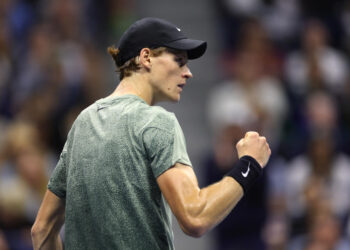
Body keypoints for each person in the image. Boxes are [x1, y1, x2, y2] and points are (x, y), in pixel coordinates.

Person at [31, 17, 271, 250]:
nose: (188, 72)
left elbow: (42, 230)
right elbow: (195, 217)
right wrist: (249, 164)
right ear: (146, 58)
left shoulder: (83, 122)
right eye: (179, 60)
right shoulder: (156, 122)